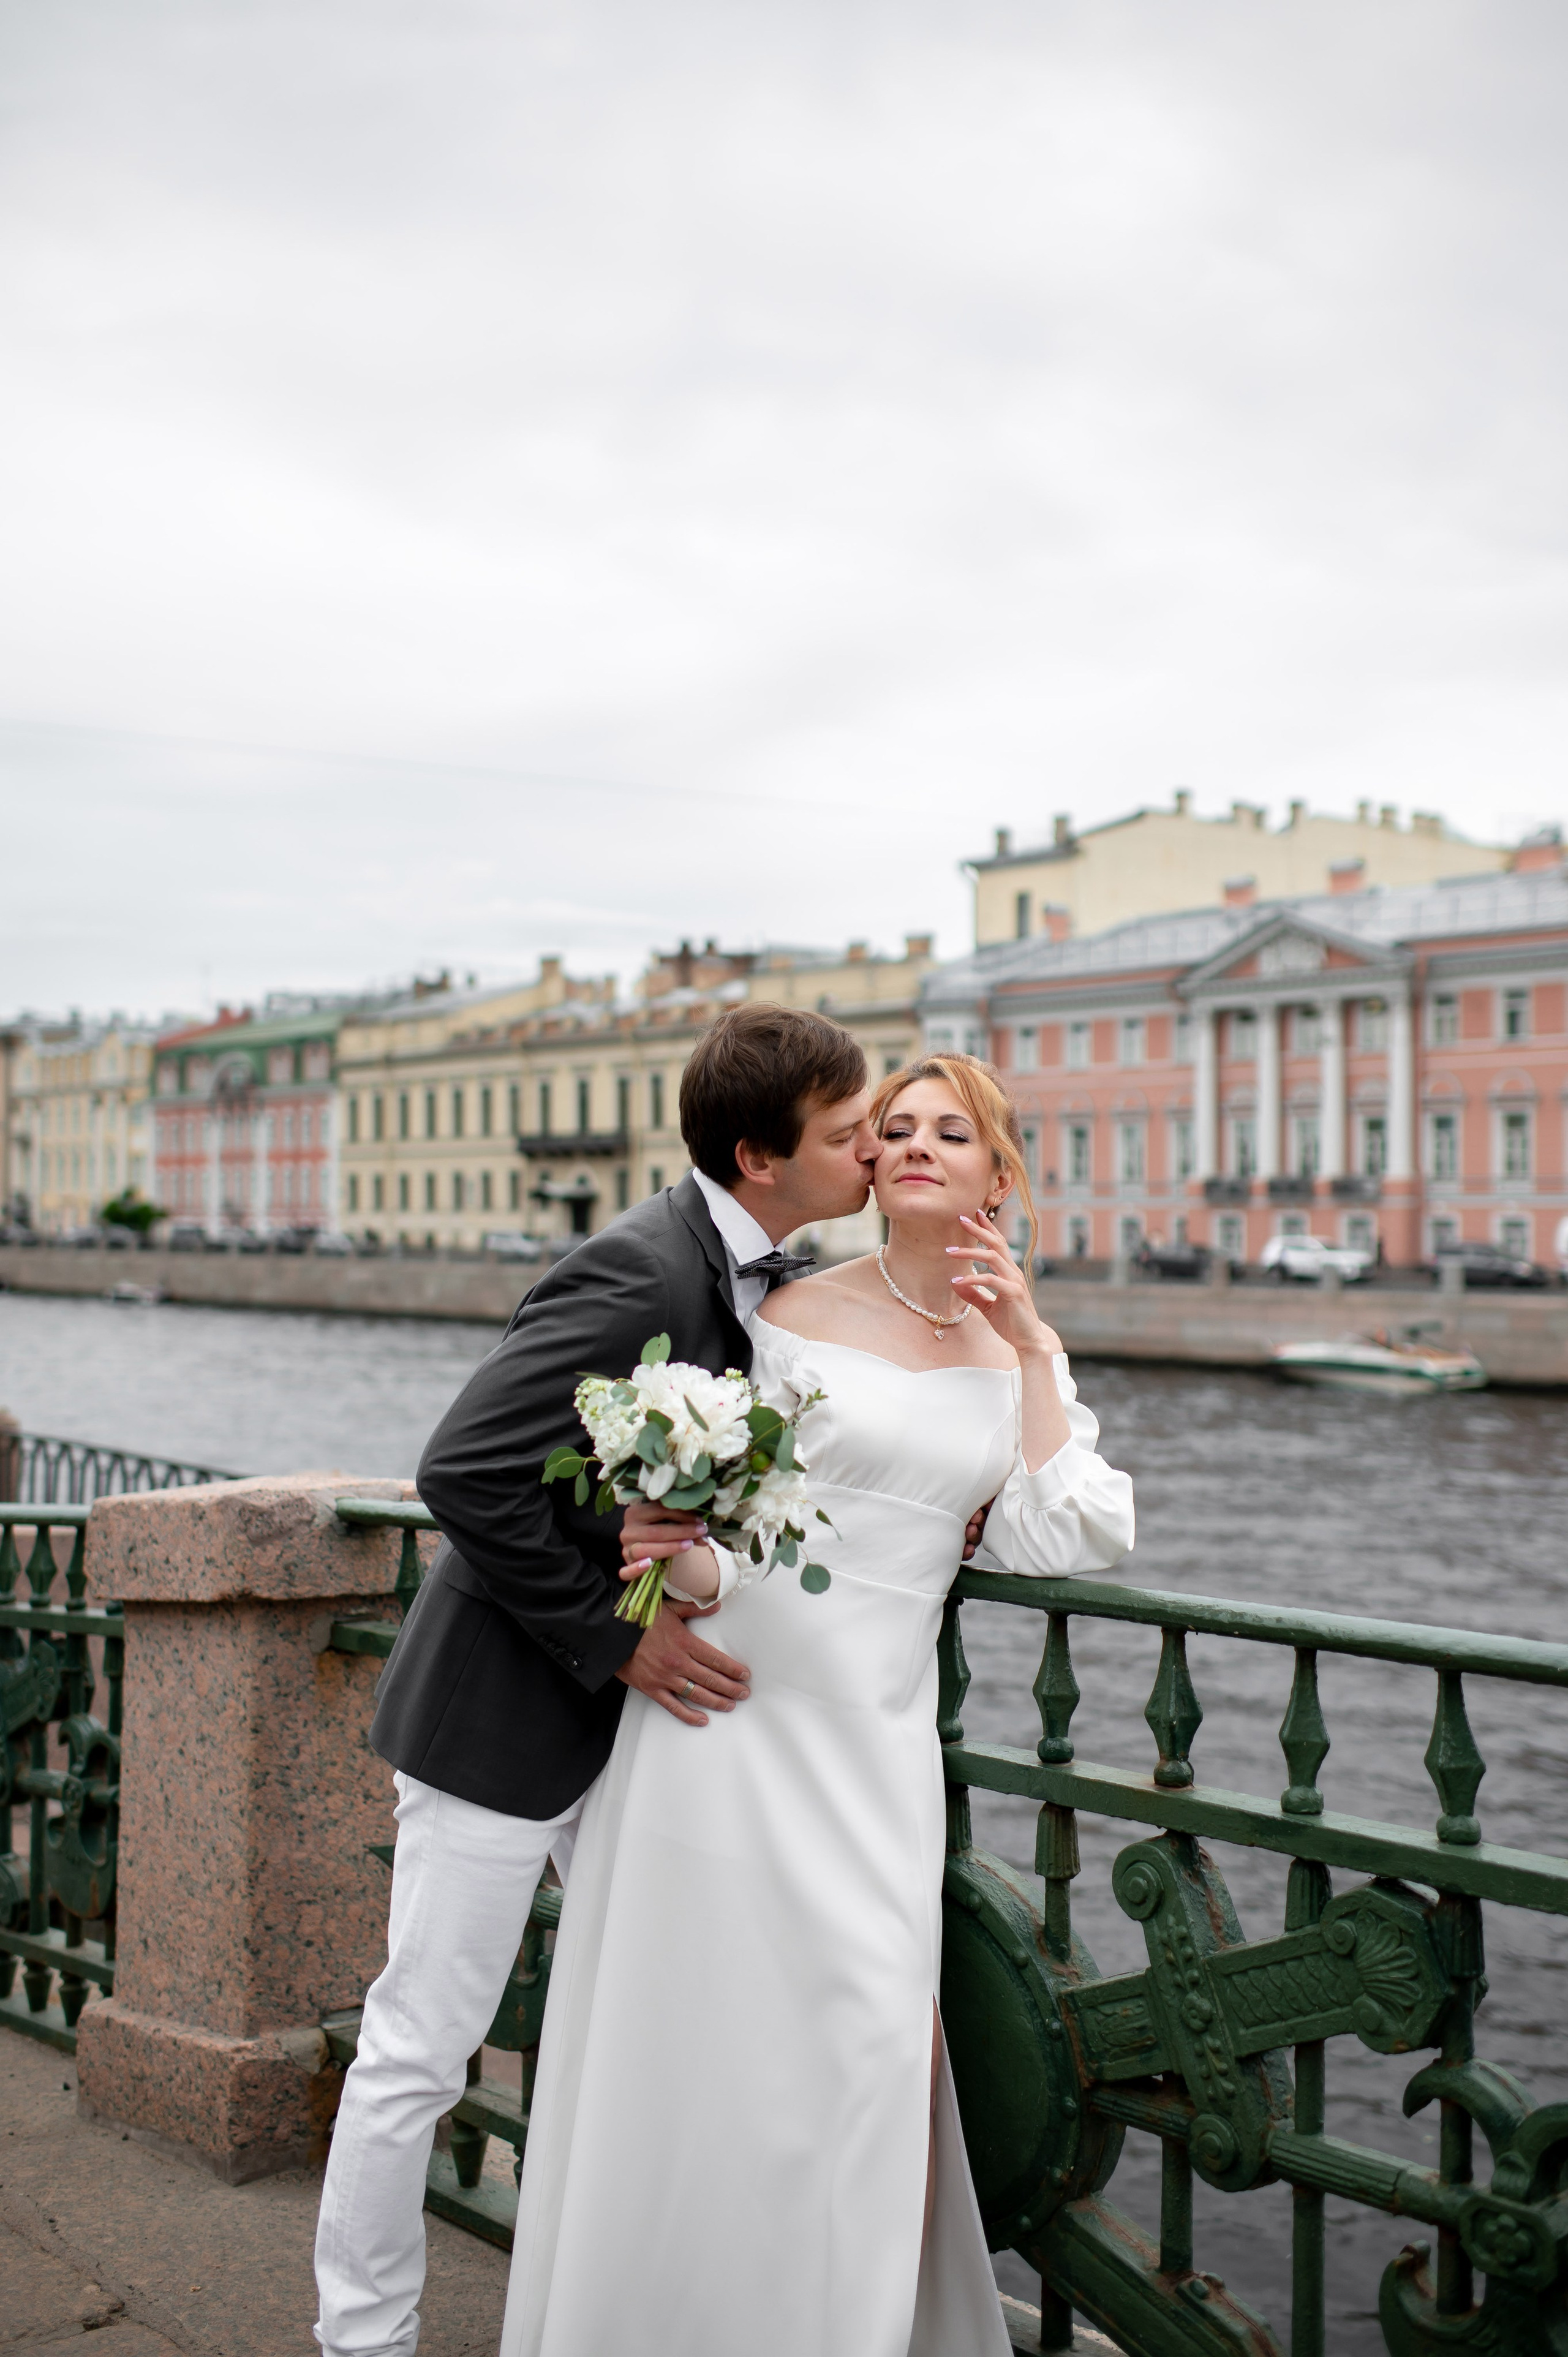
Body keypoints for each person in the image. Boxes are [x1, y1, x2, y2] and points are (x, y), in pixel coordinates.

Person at [316, 1003, 969, 2357]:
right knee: (420, 2051)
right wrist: (612, 1639)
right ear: (757, 1156)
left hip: (648, 1751)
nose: (870, 1154)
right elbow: (462, 1472)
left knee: (647, 2040)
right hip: (509, 1719)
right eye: (849, 1134)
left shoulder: (762, 1281)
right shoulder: (639, 1272)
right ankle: (361, 2337)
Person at [500, 1054, 1134, 2357]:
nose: (908, 1144)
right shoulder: (783, 1312)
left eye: (947, 1133)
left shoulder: (1010, 1344)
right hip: (719, 1712)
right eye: (890, 1127)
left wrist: (1027, 1341)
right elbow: (731, 1514)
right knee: (689, 2033)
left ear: (995, 1175)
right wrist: (662, 1549)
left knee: (854, 2048)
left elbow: (1066, 1529)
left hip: (870, 1738)